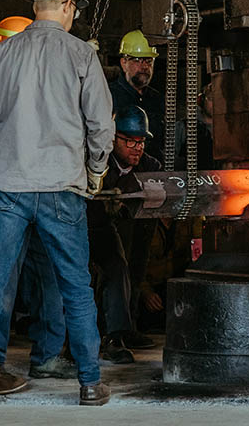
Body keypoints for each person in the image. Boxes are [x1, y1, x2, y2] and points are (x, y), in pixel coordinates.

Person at [0, 0, 113, 410]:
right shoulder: (82, 56)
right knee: (75, 287)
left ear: (35, 4)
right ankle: (90, 384)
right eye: (74, 9)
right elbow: (101, 124)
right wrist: (96, 169)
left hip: (8, 188)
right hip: (63, 187)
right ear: (67, 7)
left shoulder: (3, 55)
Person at [87, 105, 161, 363]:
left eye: (140, 141)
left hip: (119, 230)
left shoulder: (150, 167)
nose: (136, 147)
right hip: (85, 225)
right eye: (129, 140)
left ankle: (116, 336)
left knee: (119, 267)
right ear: (112, 139)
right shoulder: (96, 161)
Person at [109, 30, 165, 161]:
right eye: (138, 60)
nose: (145, 66)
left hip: (152, 170)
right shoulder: (108, 95)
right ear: (124, 63)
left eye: (149, 61)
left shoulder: (157, 99)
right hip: (118, 172)